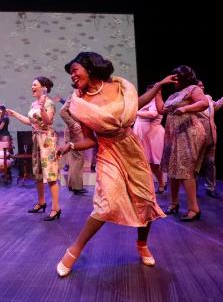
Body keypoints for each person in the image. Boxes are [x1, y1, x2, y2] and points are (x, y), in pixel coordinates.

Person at [55, 52, 166, 277]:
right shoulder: (79, 103)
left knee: (145, 200)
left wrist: (158, 87)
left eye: (75, 70)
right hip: (108, 152)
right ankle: (73, 250)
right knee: (106, 205)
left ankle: (142, 244)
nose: (72, 76)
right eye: (71, 74)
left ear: (90, 66)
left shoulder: (120, 86)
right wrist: (70, 146)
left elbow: (136, 104)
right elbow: (89, 139)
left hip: (131, 149)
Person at [157, 65, 209, 222]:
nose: (174, 81)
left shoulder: (193, 88)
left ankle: (194, 209)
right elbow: (161, 110)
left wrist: (186, 108)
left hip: (189, 132)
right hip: (174, 134)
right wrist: (157, 90)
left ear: (184, 77)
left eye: (177, 78)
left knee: (185, 169)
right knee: (173, 169)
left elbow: (204, 103)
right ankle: (174, 203)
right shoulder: (174, 95)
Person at [7, 76, 61, 221]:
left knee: (50, 174)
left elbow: (47, 121)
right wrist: (16, 114)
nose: (32, 87)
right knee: (37, 173)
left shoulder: (49, 103)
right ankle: (41, 202)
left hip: (47, 140)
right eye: (32, 85)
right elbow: (30, 122)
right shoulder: (33, 104)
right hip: (36, 139)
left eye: (35, 85)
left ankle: (56, 208)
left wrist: (42, 108)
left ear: (43, 87)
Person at [195, 80, 223, 198]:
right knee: (195, 165)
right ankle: (193, 190)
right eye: (199, 86)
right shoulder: (191, 101)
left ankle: (210, 188)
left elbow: (217, 105)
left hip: (211, 135)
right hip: (198, 136)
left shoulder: (208, 98)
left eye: (203, 85)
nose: (202, 87)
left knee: (210, 163)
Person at [133, 85, 166, 193]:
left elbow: (153, 114)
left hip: (153, 135)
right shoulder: (146, 102)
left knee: (154, 163)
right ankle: (146, 185)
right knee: (144, 162)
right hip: (143, 135)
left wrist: (136, 112)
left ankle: (161, 183)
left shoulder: (156, 102)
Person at [60, 96, 87, 194]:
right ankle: (77, 187)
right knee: (78, 158)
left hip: (73, 131)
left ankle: (72, 185)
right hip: (75, 131)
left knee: (74, 159)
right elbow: (62, 112)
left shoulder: (77, 96)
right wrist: (73, 124)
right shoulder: (76, 96)